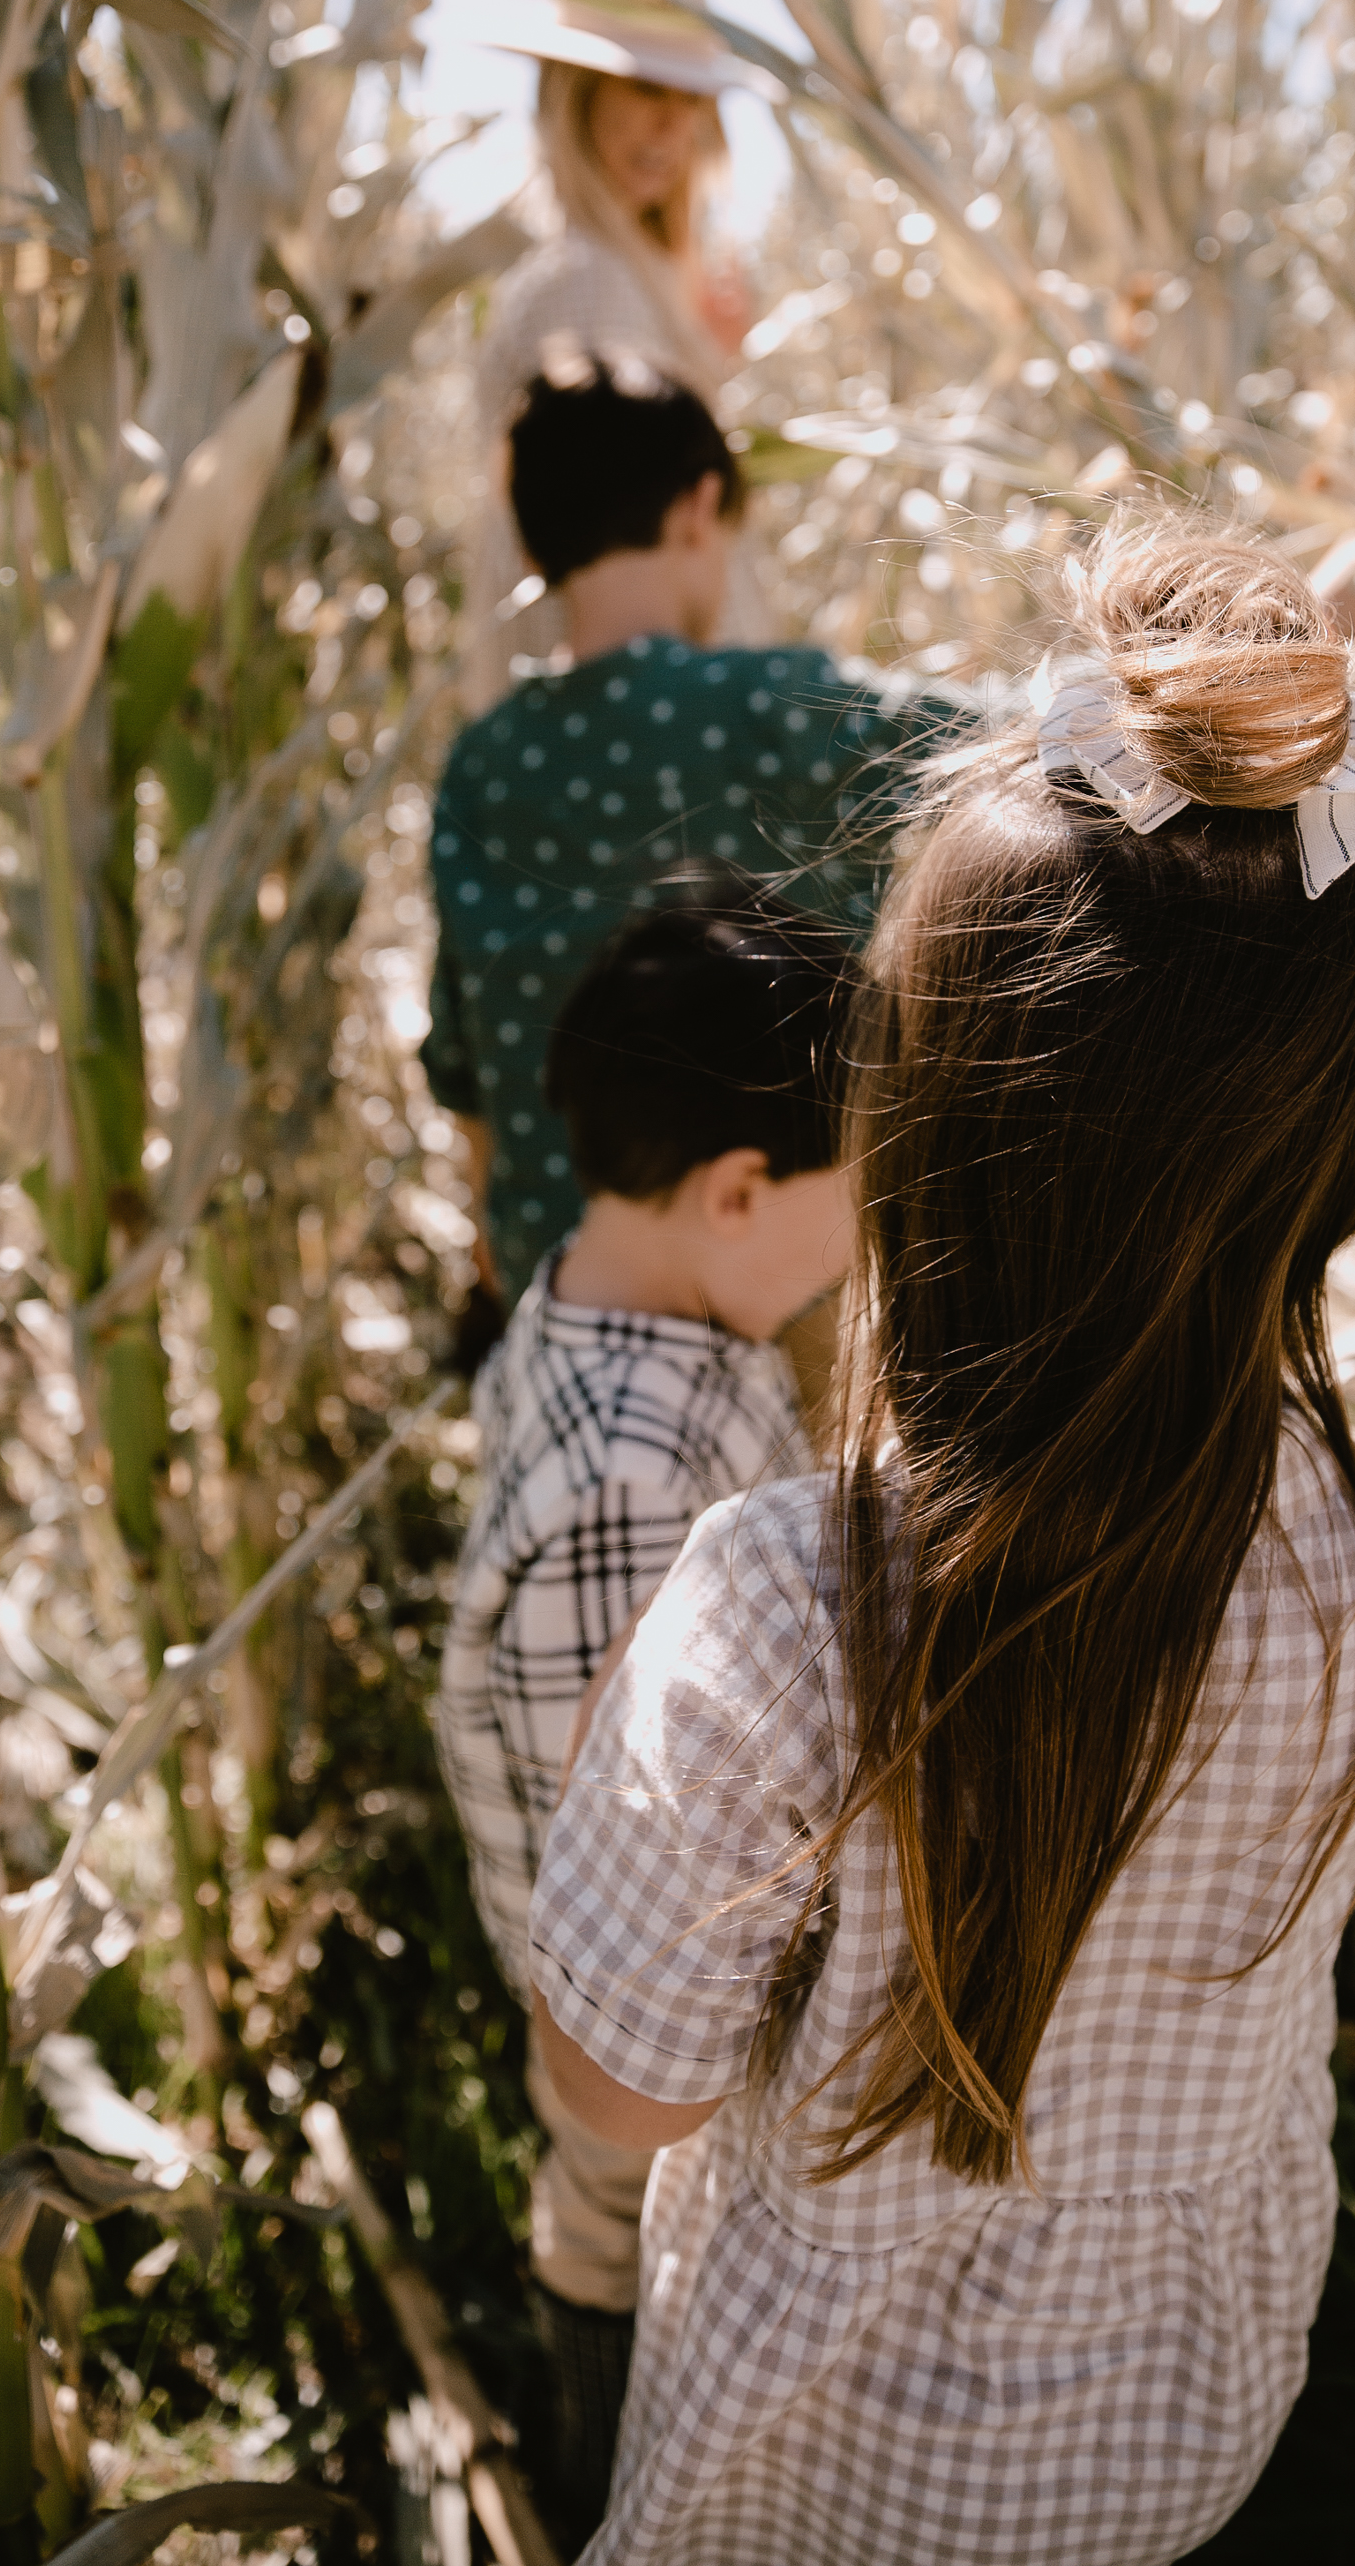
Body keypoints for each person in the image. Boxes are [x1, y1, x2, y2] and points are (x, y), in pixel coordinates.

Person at [527, 521, 1355, 2566]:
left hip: (809, 2464)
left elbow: (618, 2099)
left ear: (928, 1111)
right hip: (1172, 2426)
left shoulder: (782, 1607)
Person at [434, 880, 856, 2537]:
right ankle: (609, 2462)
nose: (870, 1235)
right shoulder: (629, 1483)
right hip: (635, 2028)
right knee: (623, 2235)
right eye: (862, 1196)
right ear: (742, 1191)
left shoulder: (627, 1296)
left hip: (658, 1983)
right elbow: (614, 1844)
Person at [422, 350, 970, 1313]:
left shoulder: (482, 763)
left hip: (571, 1278)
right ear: (695, 508)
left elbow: (464, 1072)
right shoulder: (773, 711)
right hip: (784, 1282)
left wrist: (499, 1262)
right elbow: (1015, 738)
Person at [466, 0, 779, 712]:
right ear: (576, 92)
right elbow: (624, 535)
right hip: (640, 713)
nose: (671, 130)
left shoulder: (601, 273)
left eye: (688, 100)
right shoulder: (587, 281)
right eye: (646, 90)